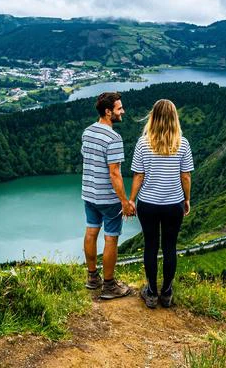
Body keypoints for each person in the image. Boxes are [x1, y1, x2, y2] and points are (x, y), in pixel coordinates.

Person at [130, 99, 193, 308]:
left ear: (153, 117)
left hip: (147, 204)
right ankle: (166, 293)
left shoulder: (143, 143)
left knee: (150, 245)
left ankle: (151, 293)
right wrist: (186, 199)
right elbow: (186, 176)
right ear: (175, 118)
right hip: (173, 204)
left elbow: (138, 176)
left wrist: (131, 200)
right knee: (169, 247)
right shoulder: (183, 143)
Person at [80, 91, 135, 299]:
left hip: (89, 193)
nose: (123, 111)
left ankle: (92, 277)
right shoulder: (114, 138)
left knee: (91, 231)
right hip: (108, 198)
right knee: (111, 237)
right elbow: (115, 173)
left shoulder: (87, 132)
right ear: (108, 111)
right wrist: (124, 201)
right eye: (119, 108)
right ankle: (110, 285)